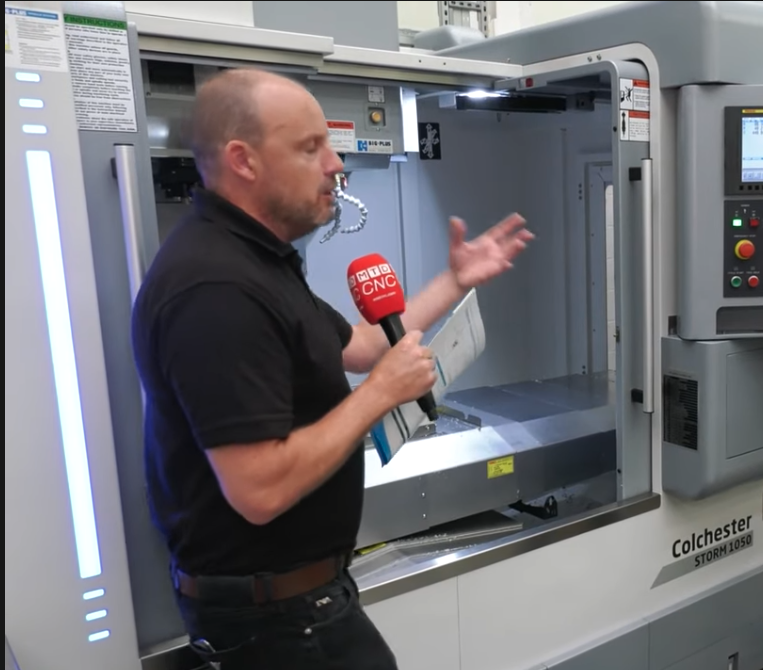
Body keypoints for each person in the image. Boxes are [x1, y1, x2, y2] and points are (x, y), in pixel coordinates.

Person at [130, 68, 533, 670]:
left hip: (301, 605)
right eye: (310, 147)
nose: (335, 164)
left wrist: (455, 280)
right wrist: (378, 395)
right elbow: (259, 490)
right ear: (243, 160)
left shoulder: (256, 261)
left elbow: (364, 346)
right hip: (276, 624)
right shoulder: (215, 289)